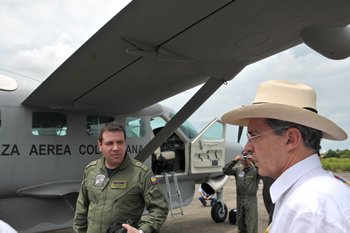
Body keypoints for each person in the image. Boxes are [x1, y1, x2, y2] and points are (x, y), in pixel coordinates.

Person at [221, 80, 350, 232]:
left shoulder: (309, 209)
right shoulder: (311, 194)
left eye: (254, 136)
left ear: (291, 139)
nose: (247, 148)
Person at [73, 122, 169, 233]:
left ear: (125, 144)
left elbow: (160, 208)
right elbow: (81, 208)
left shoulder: (141, 173)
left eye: (120, 142)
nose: (116, 148)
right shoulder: (91, 170)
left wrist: (142, 231)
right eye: (109, 143)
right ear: (100, 146)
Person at [223, 151, 261, 233]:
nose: (246, 159)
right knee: (240, 225)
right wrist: (235, 160)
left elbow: (263, 173)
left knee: (252, 226)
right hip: (240, 200)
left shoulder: (255, 171)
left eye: (248, 157)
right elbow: (225, 170)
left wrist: (254, 160)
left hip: (251, 201)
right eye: (245, 157)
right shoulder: (238, 169)